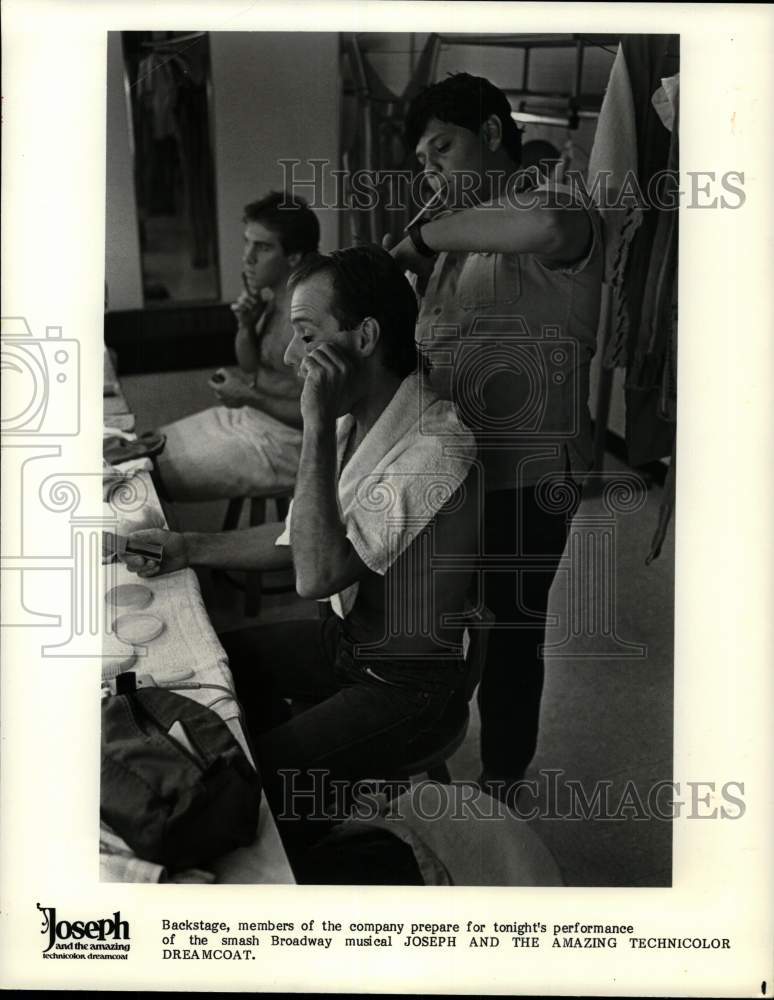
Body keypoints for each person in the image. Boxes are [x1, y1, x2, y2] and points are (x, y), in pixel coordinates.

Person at [123, 245, 479, 851]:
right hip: (350, 645)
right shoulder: (361, 420)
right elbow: (299, 537)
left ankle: (313, 844)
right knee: (220, 668)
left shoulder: (433, 448)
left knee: (245, 783)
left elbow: (316, 574)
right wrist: (189, 547)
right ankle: (316, 801)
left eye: (307, 334)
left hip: (409, 685)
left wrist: (313, 426)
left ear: (364, 337)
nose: (292, 357)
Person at [389, 73, 604, 799]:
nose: (432, 169)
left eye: (441, 147)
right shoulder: (451, 240)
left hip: (529, 476)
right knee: (437, 623)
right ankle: (425, 760)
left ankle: (502, 783)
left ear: (489, 131)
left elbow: (542, 231)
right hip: (456, 474)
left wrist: (420, 236)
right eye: (422, 159)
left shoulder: (557, 202)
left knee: (511, 635)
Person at [154, 191, 320, 501]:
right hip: (253, 416)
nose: (248, 258)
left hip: (291, 442)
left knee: (150, 478)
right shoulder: (275, 298)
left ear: (294, 257)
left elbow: (320, 413)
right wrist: (246, 326)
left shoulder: (308, 317)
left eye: (263, 247)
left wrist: (247, 396)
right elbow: (251, 367)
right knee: (145, 448)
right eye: (248, 242)